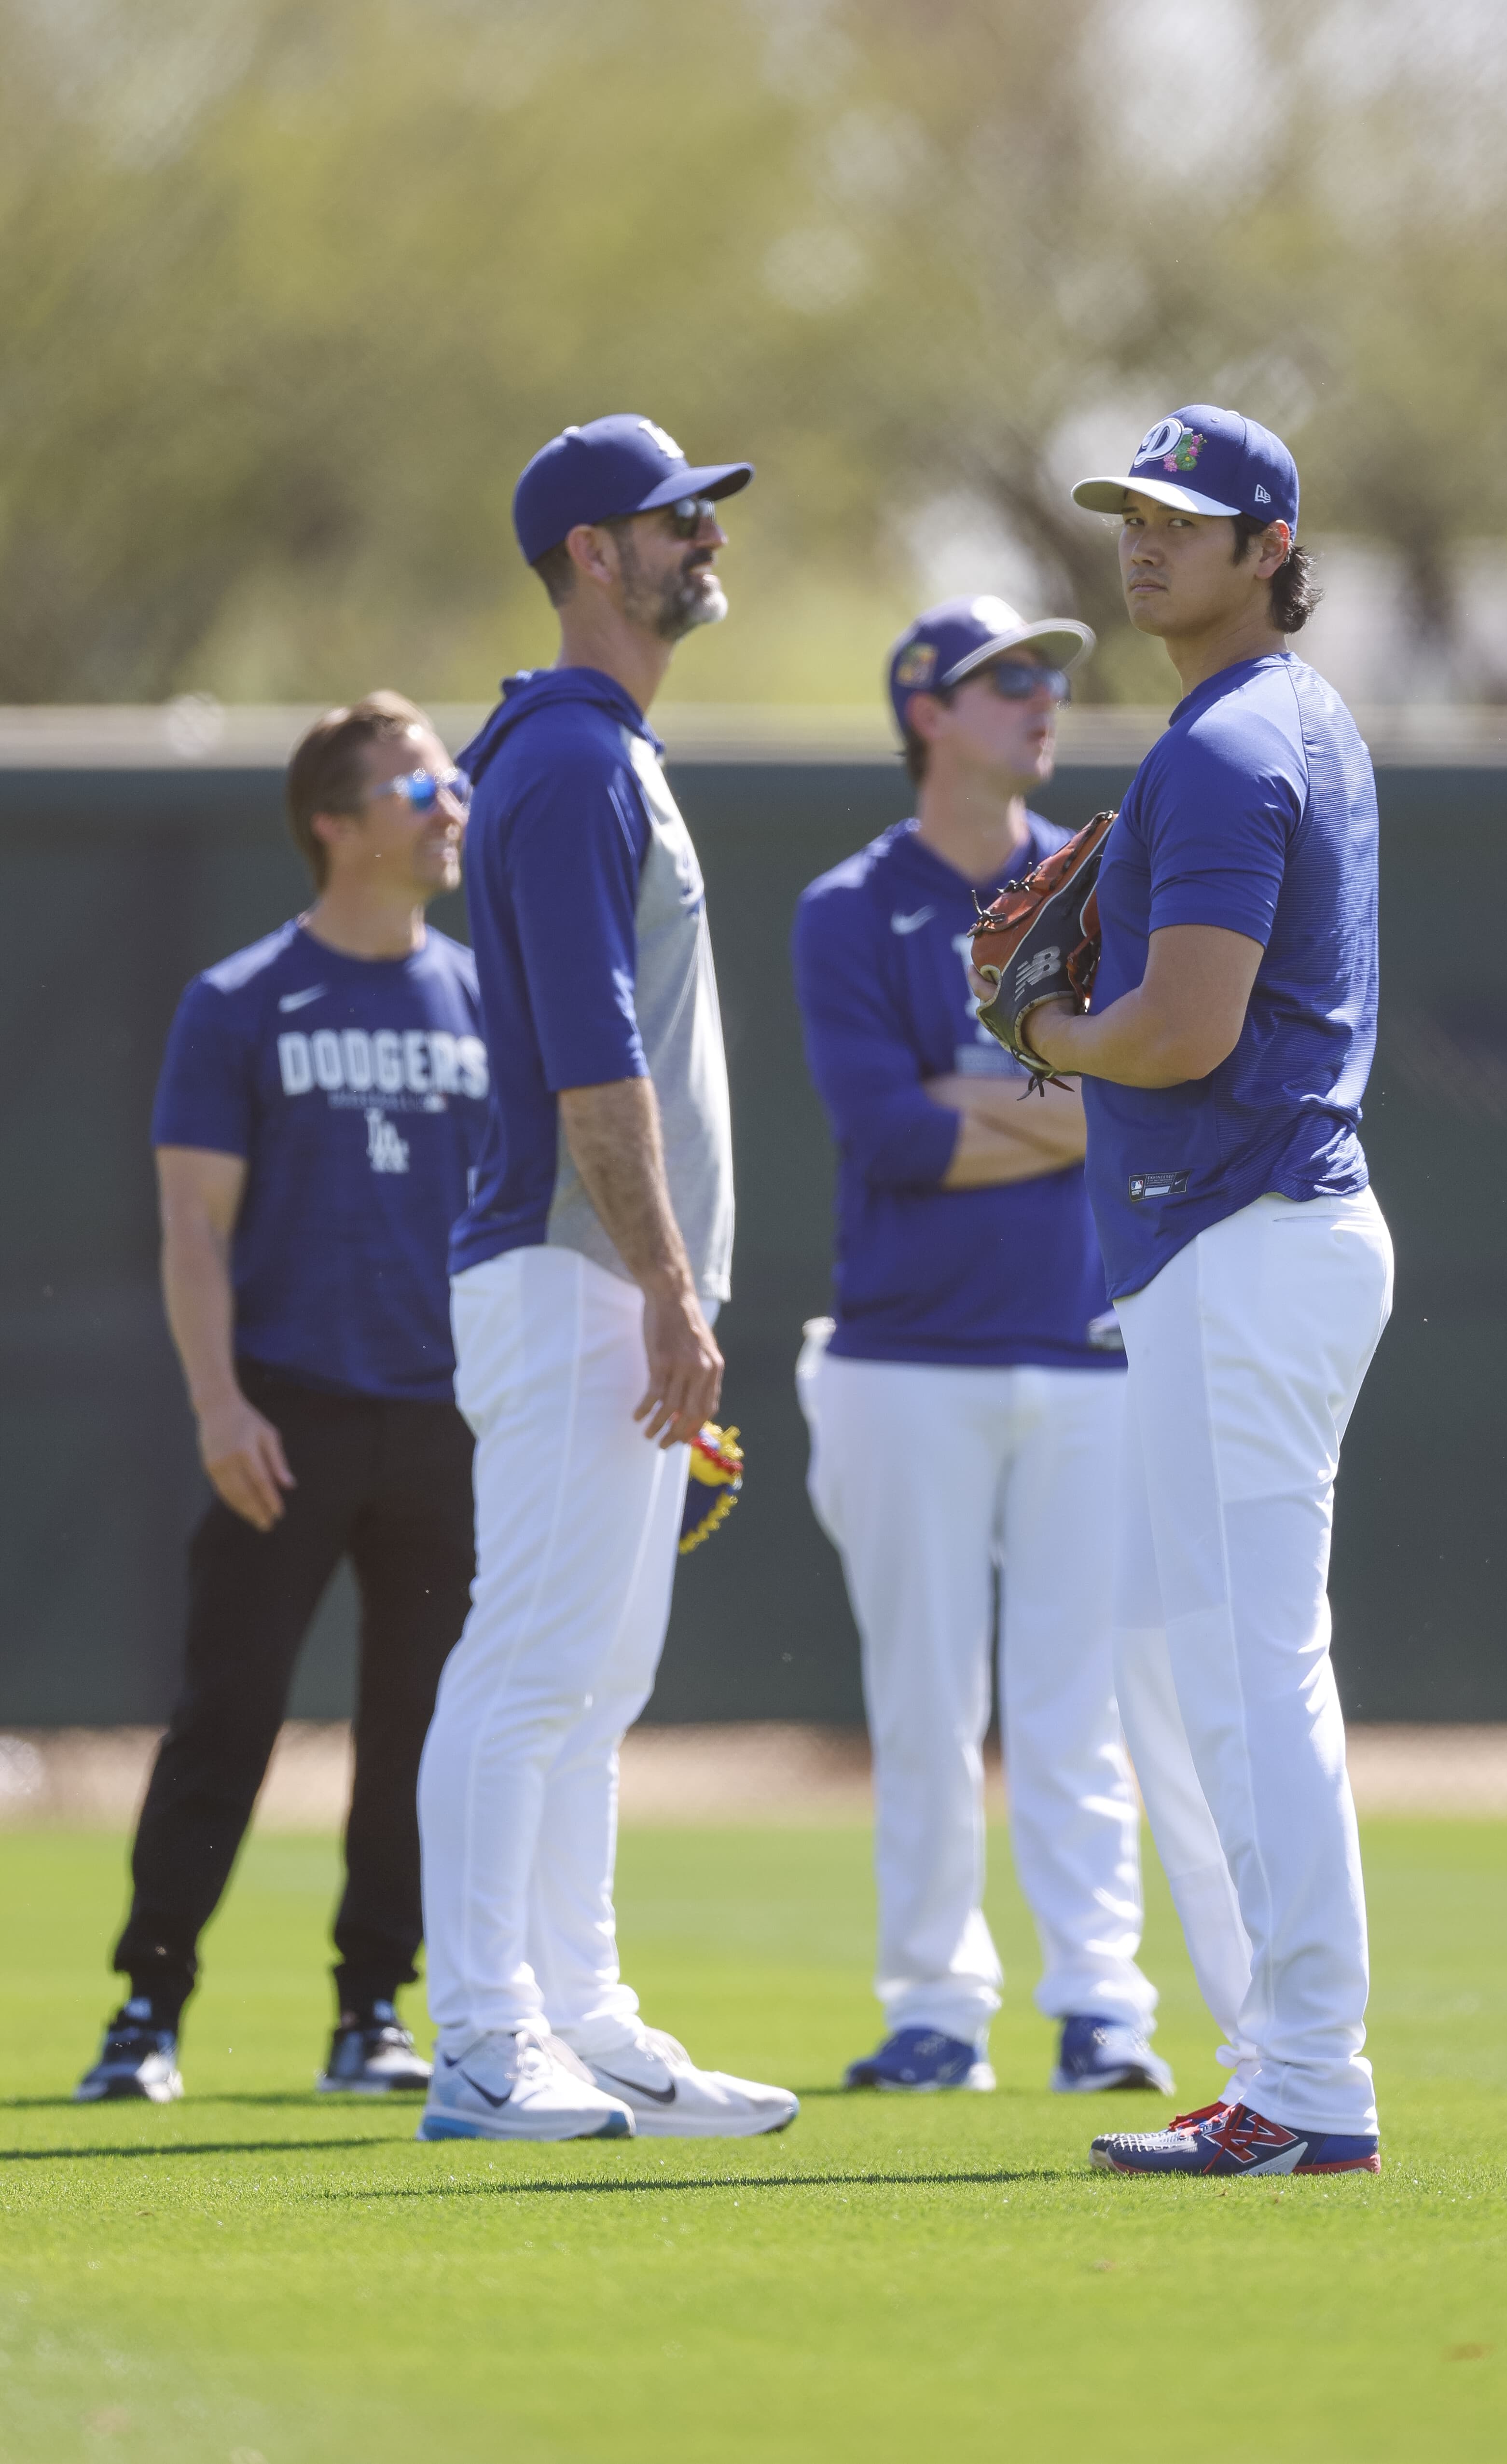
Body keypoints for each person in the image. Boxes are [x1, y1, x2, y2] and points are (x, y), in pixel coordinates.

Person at [990, 406, 1392, 2177]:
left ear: (1267, 548)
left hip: (1244, 1233)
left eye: (1184, 519)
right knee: (1229, 1665)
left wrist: (1047, 1030)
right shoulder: (1253, 726)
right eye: (1131, 513)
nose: (1145, 542)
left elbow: (1182, 1028)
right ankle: (1292, 2066)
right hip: (1247, 1235)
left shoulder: (1232, 748)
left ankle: (1306, 2079)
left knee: (1246, 1673)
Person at [414, 413, 799, 2144]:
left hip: (607, 1274)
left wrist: (665, 1276)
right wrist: (664, 1277)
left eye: (703, 513)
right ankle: (487, 2037)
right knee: (532, 1657)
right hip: (575, 1268)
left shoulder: (596, 749)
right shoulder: (571, 758)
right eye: (672, 517)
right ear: (592, 553)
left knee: (599, 1668)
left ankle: (583, 2012)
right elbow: (595, 1055)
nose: (703, 536)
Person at [75, 693, 487, 2103]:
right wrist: (218, 1403)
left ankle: (373, 2008)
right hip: (289, 1420)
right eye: (415, 784)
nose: (448, 806)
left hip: (447, 1422)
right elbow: (192, 1226)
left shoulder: (485, 998)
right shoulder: (242, 999)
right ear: (333, 821)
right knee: (227, 1715)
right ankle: (148, 2008)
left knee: (419, 1733)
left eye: (448, 782)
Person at [792, 596, 1175, 2101]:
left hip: (1084, 1353)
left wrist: (987, 1105)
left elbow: (1129, 1114)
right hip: (906, 1358)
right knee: (924, 1700)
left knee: (1076, 1706)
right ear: (925, 713)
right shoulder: (850, 904)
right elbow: (884, 1135)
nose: (1039, 699)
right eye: (1004, 678)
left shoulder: (1094, 886)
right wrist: (1055, 1115)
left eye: (1048, 677)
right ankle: (937, 2008)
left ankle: (1104, 2008)